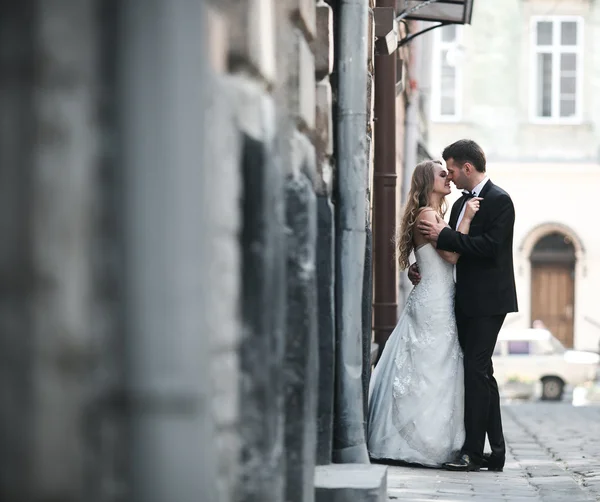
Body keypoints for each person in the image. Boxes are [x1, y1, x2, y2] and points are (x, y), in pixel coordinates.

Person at [367, 159, 481, 467]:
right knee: (430, 368)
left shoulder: (433, 214)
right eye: (442, 174)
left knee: (434, 368)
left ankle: (430, 437)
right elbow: (452, 255)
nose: (448, 177)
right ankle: (422, 441)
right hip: (434, 304)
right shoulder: (428, 215)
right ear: (426, 182)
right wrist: (467, 219)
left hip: (436, 297)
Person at [415, 139, 518, 472]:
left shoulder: (501, 201)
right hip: (462, 299)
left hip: (490, 301)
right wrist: (425, 260)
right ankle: (496, 452)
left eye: (453, 170)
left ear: (468, 168)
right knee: (481, 373)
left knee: (475, 370)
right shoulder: (460, 203)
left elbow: (487, 247)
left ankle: (473, 453)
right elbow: (454, 253)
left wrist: (441, 237)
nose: (451, 177)